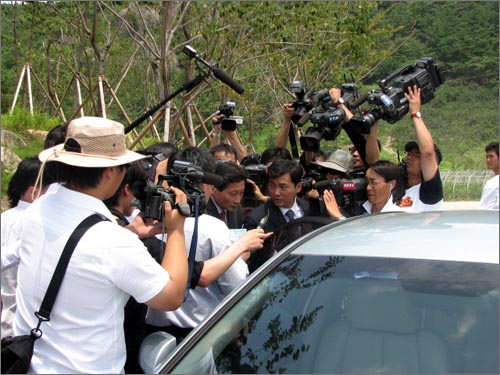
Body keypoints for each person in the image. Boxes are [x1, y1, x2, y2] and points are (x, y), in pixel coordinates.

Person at [1, 116, 189, 373]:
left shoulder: (38, 208)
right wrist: (177, 230)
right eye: (123, 167)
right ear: (111, 171)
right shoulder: (112, 241)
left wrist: (130, 233)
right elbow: (171, 296)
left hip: (30, 364)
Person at [145, 146, 271, 343]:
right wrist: (238, 252)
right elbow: (236, 286)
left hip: (153, 334)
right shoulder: (212, 229)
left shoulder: (147, 221)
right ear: (206, 184)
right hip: (200, 336)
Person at [1, 156, 55, 339]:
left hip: (5, 314)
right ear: (34, 192)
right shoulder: (37, 223)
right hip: (23, 323)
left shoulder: (5, 217)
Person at [243, 159, 310, 272]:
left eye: (283, 187)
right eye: (272, 185)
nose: (276, 192)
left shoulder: (309, 209)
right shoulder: (257, 219)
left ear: (298, 187)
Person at [397, 85, 443, 212]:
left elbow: (428, 153)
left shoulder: (429, 193)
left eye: (417, 156)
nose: (409, 158)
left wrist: (415, 114)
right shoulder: (397, 189)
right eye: (409, 154)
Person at [324, 159, 402, 219]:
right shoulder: (359, 208)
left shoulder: (397, 217)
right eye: (367, 182)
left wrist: (339, 217)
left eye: (373, 182)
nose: (368, 188)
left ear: (391, 184)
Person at [206, 161, 248, 229]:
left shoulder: (237, 210)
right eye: (233, 194)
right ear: (213, 188)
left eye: (241, 193)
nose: (238, 200)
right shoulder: (202, 213)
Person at [479, 141, 499, 209]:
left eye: (491, 156)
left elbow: (484, 210)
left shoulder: (493, 183)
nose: (488, 160)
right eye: (487, 157)